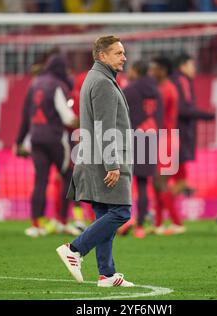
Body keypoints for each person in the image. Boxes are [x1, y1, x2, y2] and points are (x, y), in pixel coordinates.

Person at [57, 35, 135, 287]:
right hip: (105, 160)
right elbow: (105, 127)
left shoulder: (96, 78)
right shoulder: (102, 82)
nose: (124, 57)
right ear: (102, 55)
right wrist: (113, 164)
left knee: (105, 213)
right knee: (121, 212)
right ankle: (75, 249)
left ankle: (107, 274)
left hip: (93, 156)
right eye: (118, 53)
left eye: (123, 52)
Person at [14, 53, 81, 238]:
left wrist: (18, 142)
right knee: (70, 176)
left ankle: (37, 224)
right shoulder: (57, 85)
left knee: (40, 181)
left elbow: (25, 117)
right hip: (55, 138)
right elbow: (67, 117)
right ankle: (62, 221)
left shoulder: (34, 84)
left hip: (36, 139)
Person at [170, 53, 215, 231]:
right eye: (191, 64)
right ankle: (161, 215)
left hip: (175, 137)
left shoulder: (179, 81)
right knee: (176, 182)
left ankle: (162, 216)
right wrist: (207, 115)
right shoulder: (180, 81)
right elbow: (183, 109)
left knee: (176, 181)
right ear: (182, 65)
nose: (194, 68)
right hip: (176, 138)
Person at [122, 60, 162, 238]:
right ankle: (140, 227)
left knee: (123, 182)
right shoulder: (156, 91)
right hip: (151, 137)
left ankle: (123, 221)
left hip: (132, 137)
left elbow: (120, 113)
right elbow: (159, 115)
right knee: (144, 184)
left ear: (136, 70)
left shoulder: (130, 90)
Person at [149, 56, 183, 235]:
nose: (152, 72)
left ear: (163, 70)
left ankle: (177, 223)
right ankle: (159, 223)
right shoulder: (162, 87)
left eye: (155, 68)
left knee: (161, 181)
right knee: (156, 182)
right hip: (162, 137)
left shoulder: (166, 89)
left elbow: (158, 116)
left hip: (166, 139)